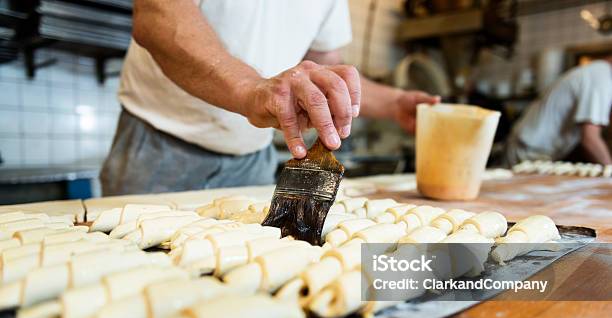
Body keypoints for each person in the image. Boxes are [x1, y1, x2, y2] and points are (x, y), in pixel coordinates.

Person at [100, 0, 439, 196]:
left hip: (253, 160)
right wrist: (253, 90)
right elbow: (159, 17)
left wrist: (395, 104)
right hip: (160, 150)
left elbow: (326, 69)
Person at [506, 58, 612, 166]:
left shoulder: (598, 73)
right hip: (528, 150)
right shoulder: (601, 79)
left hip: (538, 151)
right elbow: (590, 139)